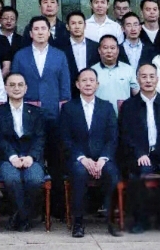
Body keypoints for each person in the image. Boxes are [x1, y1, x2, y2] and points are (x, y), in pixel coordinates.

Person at [9, 16, 72, 220]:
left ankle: (57, 208)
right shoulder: (20, 55)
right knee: (30, 161)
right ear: (30, 33)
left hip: (54, 114)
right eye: (35, 29)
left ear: (49, 32)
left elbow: (65, 88)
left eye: (43, 28)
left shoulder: (59, 55)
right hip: (27, 116)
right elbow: (14, 84)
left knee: (55, 161)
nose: (39, 32)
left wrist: (64, 112)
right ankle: (30, 209)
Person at [119, 64, 160, 235]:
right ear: (138, 80)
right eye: (144, 76)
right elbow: (125, 135)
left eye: (151, 76)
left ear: (157, 79)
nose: (148, 80)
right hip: (139, 156)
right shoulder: (129, 105)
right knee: (138, 176)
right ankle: (141, 221)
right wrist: (139, 153)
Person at [61, 68, 121, 238]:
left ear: (97, 84)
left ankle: (111, 220)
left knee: (112, 173)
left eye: (91, 80)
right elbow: (65, 139)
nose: (88, 83)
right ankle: (78, 222)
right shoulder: (68, 108)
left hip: (102, 158)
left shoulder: (107, 107)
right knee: (79, 173)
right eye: (84, 80)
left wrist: (103, 159)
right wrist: (82, 158)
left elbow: (112, 138)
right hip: (78, 158)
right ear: (77, 84)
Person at [0, 73, 45, 231]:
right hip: (7, 158)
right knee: (12, 179)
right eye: (12, 85)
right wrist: (12, 156)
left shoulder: (36, 112)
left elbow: (40, 138)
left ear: (26, 88)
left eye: (20, 84)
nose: (16, 88)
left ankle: (19, 217)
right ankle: (24, 218)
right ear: (6, 88)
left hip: (31, 157)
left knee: (34, 179)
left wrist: (31, 157)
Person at [91, 35, 136, 113]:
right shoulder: (92, 71)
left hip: (124, 115)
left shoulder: (128, 69)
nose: (109, 51)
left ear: (118, 50)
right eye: (105, 48)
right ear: (99, 50)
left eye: (112, 48)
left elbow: (137, 94)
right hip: (100, 115)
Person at [63, 11, 100, 97]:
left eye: (80, 23)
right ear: (67, 26)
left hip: (92, 92)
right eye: (73, 23)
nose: (77, 26)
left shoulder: (95, 47)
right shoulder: (61, 48)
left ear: (85, 25)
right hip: (69, 92)